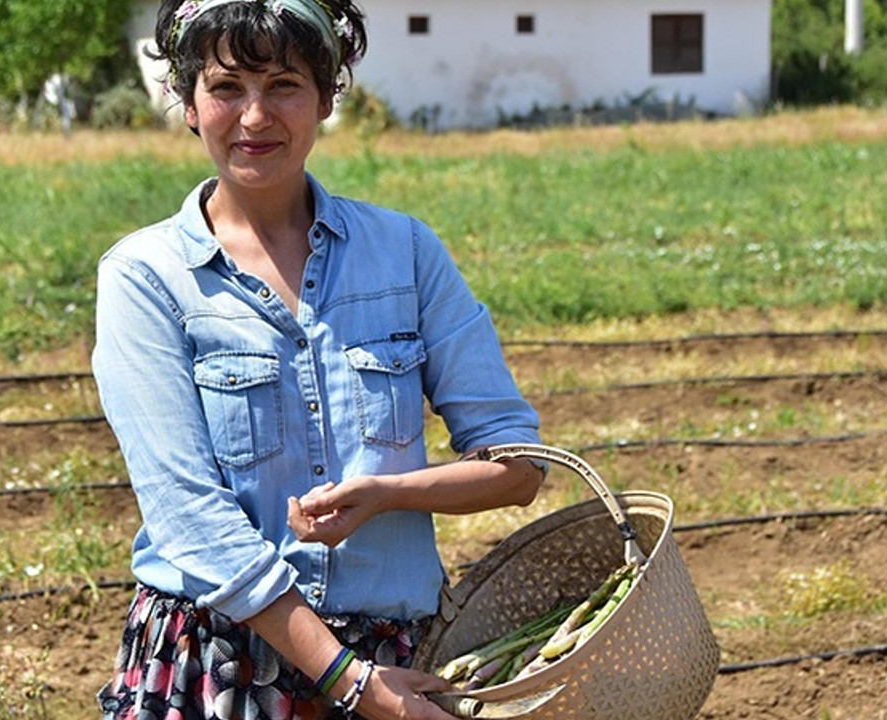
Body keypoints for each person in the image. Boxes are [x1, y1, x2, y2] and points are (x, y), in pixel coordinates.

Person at [91, 1, 547, 718]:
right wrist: (350, 682)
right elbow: (188, 518)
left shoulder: (405, 253)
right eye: (226, 88)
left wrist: (390, 493)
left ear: (328, 96)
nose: (253, 117)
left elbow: (519, 465)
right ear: (186, 103)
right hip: (221, 665)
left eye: (283, 85)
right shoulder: (146, 276)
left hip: (400, 661)